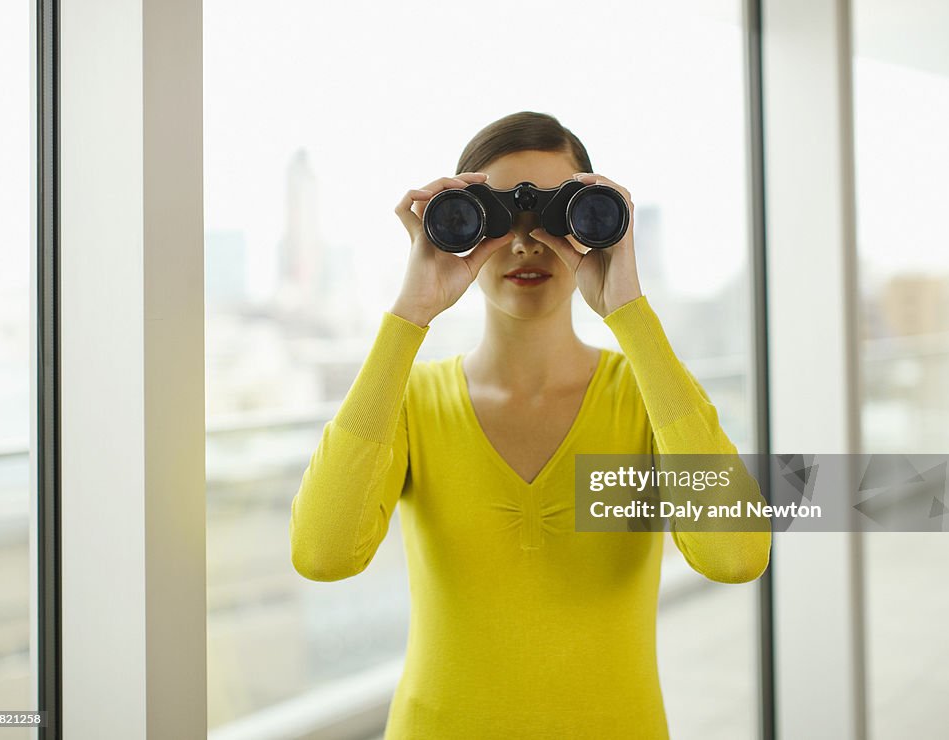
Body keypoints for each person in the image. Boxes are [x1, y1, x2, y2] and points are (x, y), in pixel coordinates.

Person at [289, 111, 771, 739]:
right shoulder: (411, 401)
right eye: (495, 215)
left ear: (595, 222)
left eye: (552, 215)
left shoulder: (643, 395)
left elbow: (735, 554)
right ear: (456, 222)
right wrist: (411, 312)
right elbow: (322, 553)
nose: (524, 243)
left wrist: (629, 313)